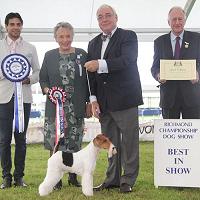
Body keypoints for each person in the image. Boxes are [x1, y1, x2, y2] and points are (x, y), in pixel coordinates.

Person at [84, 4, 143, 193]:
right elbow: (90, 76)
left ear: (116, 17)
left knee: (129, 142)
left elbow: (127, 60)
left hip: (125, 99)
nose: (104, 19)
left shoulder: (128, 36)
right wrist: (93, 99)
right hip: (103, 103)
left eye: (108, 15)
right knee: (109, 142)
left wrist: (99, 63)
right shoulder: (93, 43)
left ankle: (128, 180)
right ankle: (112, 179)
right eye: (100, 17)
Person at [39, 22, 92, 190]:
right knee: (56, 142)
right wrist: (48, 91)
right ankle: (55, 180)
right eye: (61, 36)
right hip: (55, 107)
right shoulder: (49, 55)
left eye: (68, 36)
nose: (65, 40)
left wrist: (90, 102)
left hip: (76, 107)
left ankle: (73, 176)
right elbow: (43, 78)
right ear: (55, 38)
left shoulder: (82, 55)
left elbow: (90, 81)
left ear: (73, 36)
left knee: (74, 142)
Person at [0, 12, 40, 189]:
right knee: (4, 139)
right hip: (3, 97)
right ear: (6, 26)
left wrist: (28, 79)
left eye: (18, 24)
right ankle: (6, 177)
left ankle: (19, 177)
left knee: (21, 139)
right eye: (12, 24)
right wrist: (8, 72)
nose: (15, 27)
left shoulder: (30, 48)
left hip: (24, 98)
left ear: (21, 26)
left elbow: (38, 72)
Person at [151, 6, 200, 119]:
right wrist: (158, 75)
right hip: (169, 99)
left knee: (194, 135)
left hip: (193, 98)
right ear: (168, 22)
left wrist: (198, 73)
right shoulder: (159, 42)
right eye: (174, 19)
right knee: (169, 135)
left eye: (180, 19)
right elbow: (154, 67)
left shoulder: (197, 39)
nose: (177, 22)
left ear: (185, 20)